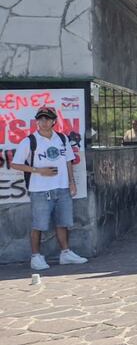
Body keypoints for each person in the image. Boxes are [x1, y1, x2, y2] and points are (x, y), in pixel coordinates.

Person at [11, 106, 89, 270]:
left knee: (63, 222)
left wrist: (72, 182)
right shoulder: (29, 141)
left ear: (54, 121)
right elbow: (15, 164)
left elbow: (68, 160)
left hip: (61, 187)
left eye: (47, 118)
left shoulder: (62, 139)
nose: (44, 122)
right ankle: (36, 256)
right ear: (37, 121)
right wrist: (38, 170)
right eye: (40, 118)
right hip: (39, 190)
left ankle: (65, 253)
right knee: (38, 224)